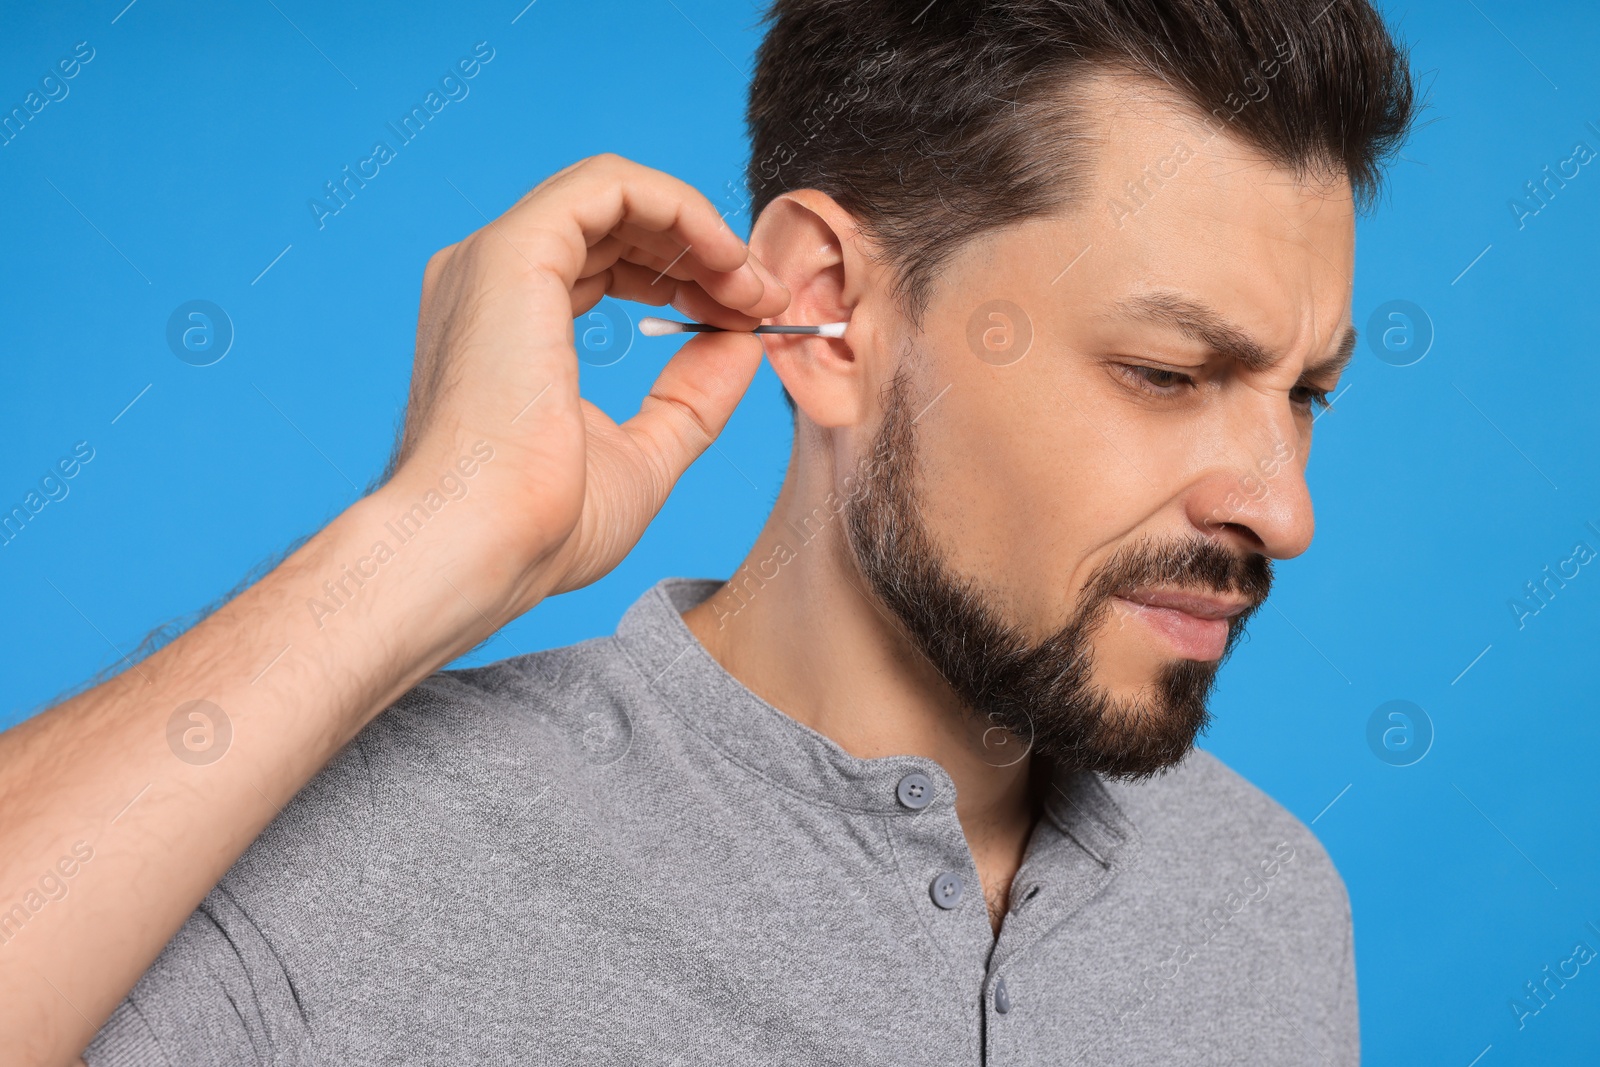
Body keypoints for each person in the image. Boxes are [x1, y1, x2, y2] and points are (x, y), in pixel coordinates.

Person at [1, 0, 1415, 1062]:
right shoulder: (333, 877)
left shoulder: (1273, 905)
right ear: (834, 311)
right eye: (1167, 374)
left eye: (1308, 393)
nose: (1283, 508)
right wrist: (427, 536)